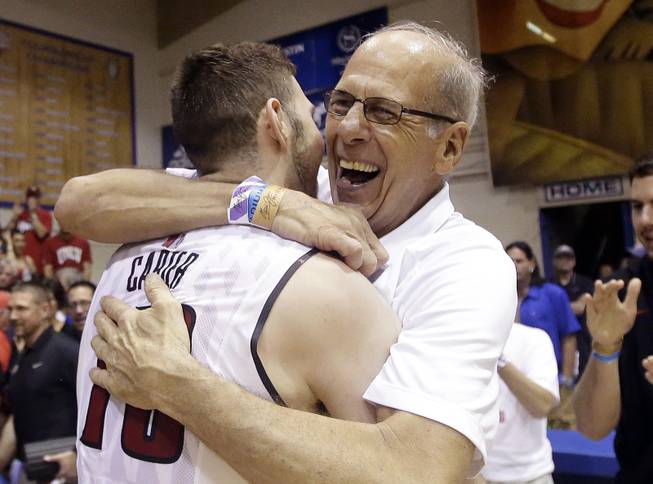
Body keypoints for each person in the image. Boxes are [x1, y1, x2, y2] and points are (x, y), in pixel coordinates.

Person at [59, 22, 517, 481]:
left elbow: (419, 470)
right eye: (340, 103)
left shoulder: (466, 266)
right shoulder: (306, 190)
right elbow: (81, 202)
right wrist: (270, 204)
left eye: (383, 111)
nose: (347, 129)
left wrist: (178, 384)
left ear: (451, 146)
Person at [76, 41, 402, 483]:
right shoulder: (323, 285)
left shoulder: (122, 255)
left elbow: (85, 197)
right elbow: (407, 466)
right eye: (308, 116)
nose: (321, 137)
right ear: (276, 121)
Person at [572, 154, 653, 483]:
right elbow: (591, 427)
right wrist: (606, 346)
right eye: (637, 207)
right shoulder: (621, 293)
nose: (646, 219)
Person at [0, 282, 78, 481]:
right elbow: (18, 412)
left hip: (63, 471)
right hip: (32, 467)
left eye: (21, 309)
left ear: (45, 310)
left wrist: (77, 456)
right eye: (10, 309)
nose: (13, 316)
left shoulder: (66, 352)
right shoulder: (22, 354)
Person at [482, 322, 559, 484]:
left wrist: (499, 359)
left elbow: (542, 406)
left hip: (530, 475)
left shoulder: (535, 339)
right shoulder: (460, 339)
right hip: (474, 473)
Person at [505, 241, 580, 387]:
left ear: (532, 263)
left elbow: (569, 337)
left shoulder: (552, 294)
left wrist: (566, 379)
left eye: (519, 261)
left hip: (551, 378)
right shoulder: (501, 298)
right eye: (509, 261)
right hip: (512, 379)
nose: (514, 266)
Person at [552, 244, 594, 376]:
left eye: (568, 257)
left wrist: (557, 308)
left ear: (574, 261)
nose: (565, 261)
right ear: (554, 261)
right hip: (558, 340)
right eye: (560, 257)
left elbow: (581, 307)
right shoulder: (548, 284)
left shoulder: (585, 282)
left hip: (582, 340)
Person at [6, 186, 52, 275]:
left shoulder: (45, 215)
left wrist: (33, 215)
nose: (32, 200)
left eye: (35, 197)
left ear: (39, 199)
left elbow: (42, 234)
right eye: (30, 197)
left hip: (37, 260)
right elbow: (7, 233)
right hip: (19, 260)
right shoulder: (21, 214)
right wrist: (14, 217)